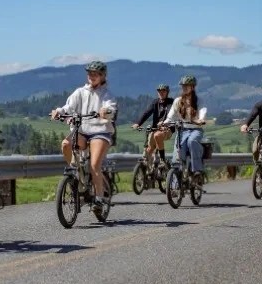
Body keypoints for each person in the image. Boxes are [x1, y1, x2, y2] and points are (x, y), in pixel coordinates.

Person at [50, 60, 117, 211]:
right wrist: (58, 112)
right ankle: (76, 173)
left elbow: (111, 109)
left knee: (94, 165)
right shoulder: (80, 92)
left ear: (102, 76)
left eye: (95, 74)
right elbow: (68, 107)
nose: (92, 76)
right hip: (82, 130)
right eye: (90, 73)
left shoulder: (107, 94)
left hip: (101, 131)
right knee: (66, 144)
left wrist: (105, 112)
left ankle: (99, 198)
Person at [160, 75, 206, 174]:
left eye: (187, 86)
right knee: (179, 149)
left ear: (193, 87)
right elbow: (170, 115)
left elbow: (202, 109)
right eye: (183, 86)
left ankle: (197, 170)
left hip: (196, 130)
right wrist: (164, 123)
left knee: (192, 141)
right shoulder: (178, 101)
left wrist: (201, 119)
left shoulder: (199, 100)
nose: (184, 88)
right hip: (183, 130)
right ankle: (177, 176)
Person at [131, 84, 174, 164]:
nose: (161, 93)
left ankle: (162, 160)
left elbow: (171, 115)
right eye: (159, 91)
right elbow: (147, 113)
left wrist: (165, 124)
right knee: (149, 149)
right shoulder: (155, 102)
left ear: (167, 92)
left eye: (163, 91)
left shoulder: (171, 102)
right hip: (155, 129)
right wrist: (138, 123)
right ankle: (149, 171)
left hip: (167, 129)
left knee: (157, 135)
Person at [240, 83, 262, 161]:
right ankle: (259, 168)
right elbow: (252, 115)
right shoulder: (259, 105)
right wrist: (246, 124)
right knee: (255, 150)